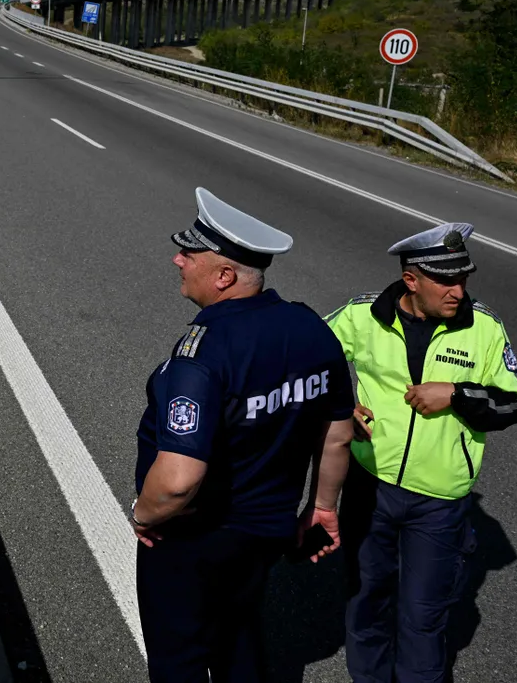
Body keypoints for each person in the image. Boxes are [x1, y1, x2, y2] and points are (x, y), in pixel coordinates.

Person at [133, 188, 356, 683]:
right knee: (238, 642)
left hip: (193, 538)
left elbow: (177, 480)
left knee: (180, 659)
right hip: (265, 534)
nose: (177, 260)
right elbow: (337, 435)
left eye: (188, 254)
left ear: (224, 276)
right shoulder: (311, 328)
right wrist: (322, 508)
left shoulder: (202, 355)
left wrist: (143, 515)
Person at [325, 223, 517, 683]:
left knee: (422, 616)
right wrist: (340, 405)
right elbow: (309, 355)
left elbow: (515, 403)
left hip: (439, 500)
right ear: (412, 280)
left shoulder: (485, 327)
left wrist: (456, 394)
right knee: (366, 603)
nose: (459, 291)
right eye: (447, 281)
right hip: (369, 485)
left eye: (464, 279)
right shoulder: (363, 315)